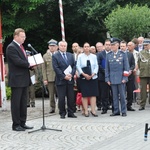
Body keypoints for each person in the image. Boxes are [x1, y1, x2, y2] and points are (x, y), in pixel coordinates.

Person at [6, 28, 33, 131]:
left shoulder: (21, 47)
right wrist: (29, 64)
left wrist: (31, 66)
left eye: (24, 36)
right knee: (16, 103)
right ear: (15, 36)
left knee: (23, 102)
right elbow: (17, 61)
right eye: (22, 37)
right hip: (17, 80)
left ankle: (23, 122)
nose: (24, 39)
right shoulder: (11, 47)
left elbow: (24, 61)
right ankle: (16, 124)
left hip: (24, 79)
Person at [52, 41, 77, 119]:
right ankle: (62, 113)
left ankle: (71, 112)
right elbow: (56, 68)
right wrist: (63, 76)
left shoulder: (70, 55)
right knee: (61, 98)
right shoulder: (55, 56)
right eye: (62, 46)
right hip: (61, 80)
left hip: (70, 79)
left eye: (65, 46)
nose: (63, 47)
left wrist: (71, 74)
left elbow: (74, 66)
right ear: (59, 47)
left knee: (71, 97)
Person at [105, 39, 129, 117]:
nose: (112, 47)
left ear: (117, 46)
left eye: (113, 45)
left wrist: (125, 78)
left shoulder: (123, 54)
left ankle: (123, 111)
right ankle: (116, 111)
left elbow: (126, 67)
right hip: (112, 78)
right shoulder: (108, 55)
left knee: (122, 96)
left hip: (121, 78)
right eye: (111, 45)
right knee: (114, 96)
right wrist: (107, 79)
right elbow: (107, 68)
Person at [76, 42, 99, 117]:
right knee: (85, 95)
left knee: (93, 94)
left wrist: (93, 74)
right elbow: (78, 66)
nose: (86, 48)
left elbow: (96, 66)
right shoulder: (80, 56)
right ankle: (86, 110)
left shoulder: (94, 56)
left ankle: (93, 110)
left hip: (93, 77)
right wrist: (83, 74)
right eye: (85, 47)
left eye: (88, 46)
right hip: (83, 77)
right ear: (83, 48)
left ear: (89, 48)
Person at [42, 39, 58, 113]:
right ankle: (52, 107)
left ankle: (61, 107)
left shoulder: (58, 54)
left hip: (58, 77)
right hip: (50, 77)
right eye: (51, 46)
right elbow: (43, 68)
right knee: (51, 94)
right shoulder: (45, 56)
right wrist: (45, 79)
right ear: (48, 47)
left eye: (53, 46)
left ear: (56, 47)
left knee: (60, 93)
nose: (52, 47)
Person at [97, 39, 111, 114]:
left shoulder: (113, 53)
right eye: (106, 44)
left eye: (109, 45)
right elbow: (98, 65)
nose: (108, 46)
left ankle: (114, 108)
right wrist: (105, 72)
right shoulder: (100, 54)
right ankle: (104, 108)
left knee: (113, 93)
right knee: (104, 94)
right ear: (104, 45)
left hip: (112, 77)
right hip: (103, 77)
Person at [120, 41, 135, 111]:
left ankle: (129, 105)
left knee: (129, 91)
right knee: (122, 91)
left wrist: (130, 70)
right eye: (121, 46)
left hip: (129, 76)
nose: (122, 47)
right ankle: (122, 105)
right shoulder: (118, 54)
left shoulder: (130, 54)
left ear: (126, 47)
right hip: (121, 76)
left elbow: (133, 64)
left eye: (123, 46)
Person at [138, 39, 150, 110]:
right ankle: (142, 104)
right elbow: (139, 63)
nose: (145, 46)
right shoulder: (141, 53)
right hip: (143, 73)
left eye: (147, 45)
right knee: (143, 90)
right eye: (144, 45)